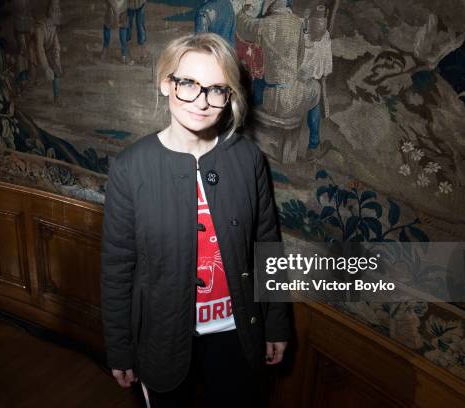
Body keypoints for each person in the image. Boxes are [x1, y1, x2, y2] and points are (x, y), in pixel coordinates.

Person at [100, 33, 290, 407]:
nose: (202, 102)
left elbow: (268, 247)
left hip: (237, 333)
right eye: (188, 84)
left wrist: (277, 323)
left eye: (217, 89)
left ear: (230, 96)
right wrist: (119, 349)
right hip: (162, 339)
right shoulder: (130, 169)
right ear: (165, 83)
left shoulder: (248, 159)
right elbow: (118, 269)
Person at [237, 0, 331, 160]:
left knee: (257, 81)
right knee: (315, 88)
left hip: (269, 97)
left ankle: (242, 134)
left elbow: (243, 27)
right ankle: (313, 147)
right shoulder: (297, 24)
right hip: (289, 100)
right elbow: (299, 60)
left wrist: (242, 11)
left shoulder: (264, 24)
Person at [27, 0, 63, 105]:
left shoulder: (53, 28)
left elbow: (56, 46)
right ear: (51, 12)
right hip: (33, 53)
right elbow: (39, 49)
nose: (60, 14)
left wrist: (57, 61)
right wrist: (46, 68)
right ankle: (19, 84)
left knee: (55, 70)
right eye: (58, 11)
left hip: (44, 52)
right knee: (32, 78)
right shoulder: (40, 28)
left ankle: (57, 97)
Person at [102, 0, 132, 64]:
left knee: (123, 27)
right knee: (107, 25)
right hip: (111, 5)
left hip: (123, 5)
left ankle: (124, 55)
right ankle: (105, 50)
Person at [126, 0, 149, 65]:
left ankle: (143, 54)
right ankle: (128, 54)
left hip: (140, 2)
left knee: (140, 26)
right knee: (128, 26)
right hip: (128, 4)